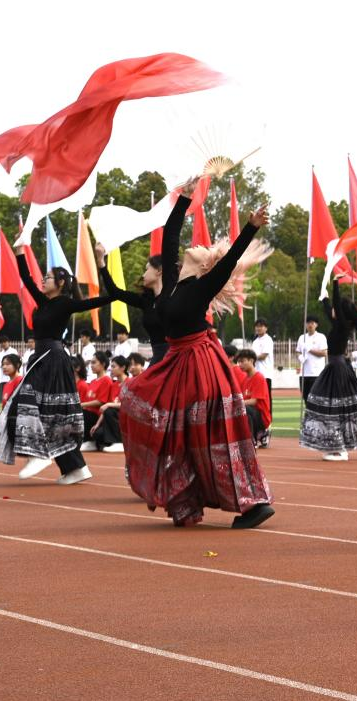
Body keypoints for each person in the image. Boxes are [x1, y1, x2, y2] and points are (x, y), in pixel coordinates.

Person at [119, 180, 274, 528]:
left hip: (200, 363)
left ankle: (252, 504)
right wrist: (185, 198)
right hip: (178, 361)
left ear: (206, 266)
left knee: (208, 435)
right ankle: (186, 499)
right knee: (173, 428)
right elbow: (170, 235)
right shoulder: (172, 281)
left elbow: (230, 259)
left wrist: (250, 226)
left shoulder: (203, 285)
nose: (201, 244)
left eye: (206, 248)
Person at [0, 254, 111, 484]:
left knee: (30, 403)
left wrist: (106, 271)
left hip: (54, 360)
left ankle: (38, 454)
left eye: (47, 277)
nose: (43, 280)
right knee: (54, 415)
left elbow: (100, 300)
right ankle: (76, 468)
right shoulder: (43, 301)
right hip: (41, 357)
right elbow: (26, 277)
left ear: (60, 283)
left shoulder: (65, 303)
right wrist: (20, 251)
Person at [299, 278, 357, 460]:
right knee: (328, 405)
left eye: (336, 308)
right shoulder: (338, 324)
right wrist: (324, 298)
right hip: (335, 366)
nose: (333, 311)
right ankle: (338, 446)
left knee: (334, 407)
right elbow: (330, 310)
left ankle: (340, 449)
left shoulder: (343, 325)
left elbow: (335, 306)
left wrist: (335, 283)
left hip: (338, 368)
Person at [96, 245, 168, 365]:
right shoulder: (146, 301)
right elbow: (115, 292)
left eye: (147, 269)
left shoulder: (174, 297)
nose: (143, 275)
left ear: (159, 270)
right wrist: (101, 262)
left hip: (175, 358)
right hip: (158, 358)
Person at [232, 348, 273, 449]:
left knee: (244, 408)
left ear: (251, 361)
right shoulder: (245, 379)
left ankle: (255, 436)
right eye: (238, 362)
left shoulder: (259, 377)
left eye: (242, 361)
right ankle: (247, 437)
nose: (240, 365)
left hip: (261, 417)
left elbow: (254, 401)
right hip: (252, 413)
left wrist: (236, 402)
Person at [79, 352, 117, 452]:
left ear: (103, 364)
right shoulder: (92, 381)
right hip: (89, 412)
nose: (91, 365)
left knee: (83, 413)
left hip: (97, 414)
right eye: (91, 363)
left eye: (94, 362)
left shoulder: (106, 380)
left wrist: (82, 405)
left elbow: (101, 401)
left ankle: (89, 441)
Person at [297, 315, 328, 403]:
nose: (310, 325)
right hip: (304, 373)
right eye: (308, 323)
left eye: (312, 323)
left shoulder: (321, 337)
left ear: (316, 325)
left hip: (316, 373)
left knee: (316, 399)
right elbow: (298, 351)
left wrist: (309, 349)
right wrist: (300, 357)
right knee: (306, 398)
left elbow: (324, 353)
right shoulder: (302, 338)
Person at [250, 319, 275, 404]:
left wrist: (251, 358)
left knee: (266, 397)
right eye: (257, 326)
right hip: (256, 373)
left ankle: (268, 413)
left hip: (265, 373)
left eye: (261, 326)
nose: (258, 328)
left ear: (266, 328)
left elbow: (263, 356)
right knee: (257, 397)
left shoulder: (268, 340)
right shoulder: (255, 341)